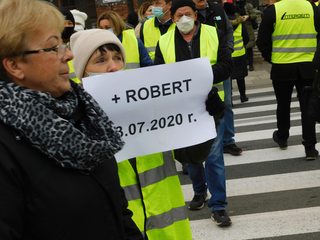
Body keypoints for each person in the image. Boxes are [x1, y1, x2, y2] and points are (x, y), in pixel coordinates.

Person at [0, 0, 143, 239]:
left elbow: (119, 212)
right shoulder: (6, 146)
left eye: (63, 43)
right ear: (14, 65)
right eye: (53, 47)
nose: (68, 54)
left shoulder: (85, 114)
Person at [70, 28, 193, 240]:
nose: (113, 67)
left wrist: (205, 115)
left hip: (169, 232)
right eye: (101, 60)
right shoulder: (72, 122)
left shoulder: (149, 107)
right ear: (82, 72)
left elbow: (191, 156)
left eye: (118, 58)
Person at [154, 0, 233, 227]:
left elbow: (227, 66)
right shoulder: (165, 40)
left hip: (210, 105)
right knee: (191, 157)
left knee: (214, 156)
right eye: (179, 15)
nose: (184, 19)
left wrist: (200, 74)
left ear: (196, 15)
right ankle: (200, 193)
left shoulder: (213, 33)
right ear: (174, 17)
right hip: (183, 109)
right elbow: (160, 72)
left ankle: (219, 206)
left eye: (188, 14)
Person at [257, 0, 320, 160]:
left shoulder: (273, 10)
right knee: (308, 107)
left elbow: (262, 41)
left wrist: (272, 58)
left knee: (283, 104)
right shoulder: (312, 8)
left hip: (281, 66)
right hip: (308, 66)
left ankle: (282, 137)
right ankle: (310, 147)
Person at [225, 1, 250, 102]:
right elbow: (246, 38)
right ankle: (243, 96)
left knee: (228, 78)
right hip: (240, 54)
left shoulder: (223, 23)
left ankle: (229, 98)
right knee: (240, 77)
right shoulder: (239, 23)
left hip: (228, 55)